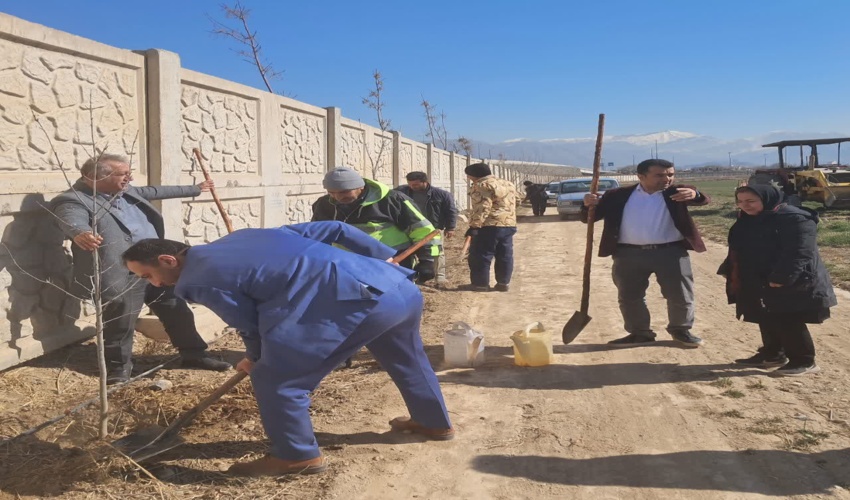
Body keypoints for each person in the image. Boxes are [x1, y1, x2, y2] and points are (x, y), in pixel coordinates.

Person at [121, 221, 454, 476]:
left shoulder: (196, 279)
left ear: (168, 260)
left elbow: (247, 322)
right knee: (406, 358)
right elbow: (334, 228)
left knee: (276, 380)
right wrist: (382, 255)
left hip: (354, 303)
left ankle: (295, 456)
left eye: (148, 275)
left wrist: (255, 358)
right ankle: (433, 421)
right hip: (394, 287)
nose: (155, 284)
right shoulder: (244, 235)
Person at [50, 154, 231, 384]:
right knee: (120, 322)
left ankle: (194, 355)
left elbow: (155, 191)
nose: (130, 178)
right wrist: (80, 233)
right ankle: (118, 370)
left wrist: (196, 189)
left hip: (156, 267)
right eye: (124, 174)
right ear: (95, 176)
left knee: (178, 311)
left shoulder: (127, 191)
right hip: (122, 273)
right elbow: (70, 218)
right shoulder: (73, 200)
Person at [582, 158, 710, 347]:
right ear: (641, 176)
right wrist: (587, 204)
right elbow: (589, 218)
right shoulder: (617, 195)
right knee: (629, 296)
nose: (667, 179)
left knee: (680, 294)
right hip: (628, 255)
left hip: (671, 253)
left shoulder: (677, 193)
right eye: (660, 175)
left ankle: (681, 330)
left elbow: (702, 199)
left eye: (671, 174)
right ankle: (640, 332)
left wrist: (695, 194)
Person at [719, 185, 836, 376]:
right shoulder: (749, 219)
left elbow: (800, 251)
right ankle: (773, 354)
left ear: (767, 199)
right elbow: (740, 247)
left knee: (788, 318)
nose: (744, 205)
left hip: (793, 278)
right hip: (762, 277)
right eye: (740, 201)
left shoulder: (794, 218)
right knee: (766, 315)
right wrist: (729, 268)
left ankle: (804, 361)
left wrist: (782, 277)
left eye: (750, 201)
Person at [312, 167, 439, 284]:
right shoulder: (324, 204)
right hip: (346, 268)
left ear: (360, 187)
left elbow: (422, 230)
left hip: (393, 265)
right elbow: (316, 234)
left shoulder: (392, 200)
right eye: (331, 192)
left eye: (344, 192)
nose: (338, 197)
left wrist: (427, 261)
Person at [395, 171, 458, 287]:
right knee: (408, 251)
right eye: (410, 184)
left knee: (436, 252)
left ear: (425, 182)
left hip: (433, 229)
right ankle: (412, 276)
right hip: (408, 228)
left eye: (415, 184)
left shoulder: (441, 195)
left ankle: (440, 277)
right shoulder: (401, 192)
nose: (412, 187)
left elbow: (451, 211)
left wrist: (450, 228)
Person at [463, 162, 518, 292]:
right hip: (508, 224)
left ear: (475, 175)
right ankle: (503, 283)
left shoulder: (482, 185)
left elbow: (483, 207)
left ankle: (480, 284)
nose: (468, 178)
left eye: (469, 175)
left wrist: (475, 226)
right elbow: (518, 200)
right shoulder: (507, 183)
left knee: (481, 255)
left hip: (489, 225)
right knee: (504, 255)